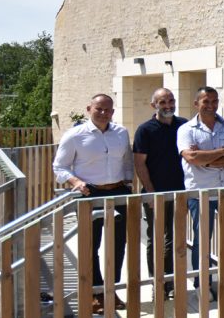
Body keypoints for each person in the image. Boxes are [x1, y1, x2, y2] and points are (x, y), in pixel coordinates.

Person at [53, 94, 132, 314]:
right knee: (91, 245)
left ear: (113, 112)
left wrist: (127, 181)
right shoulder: (75, 136)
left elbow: (127, 161)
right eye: (99, 109)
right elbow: (59, 167)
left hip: (118, 191)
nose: (104, 113)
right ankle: (94, 293)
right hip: (90, 193)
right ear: (89, 109)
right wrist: (76, 182)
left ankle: (111, 289)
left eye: (108, 110)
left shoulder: (121, 133)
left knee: (118, 244)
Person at [177, 86, 224, 298]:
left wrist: (206, 159)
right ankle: (201, 283)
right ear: (196, 104)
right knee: (202, 238)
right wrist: (223, 152)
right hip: (201, 191)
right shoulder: (187, 129)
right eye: (206, 101)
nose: (211, 105)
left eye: (214, 101)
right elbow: (192, 158)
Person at [132, 88, 187, 299]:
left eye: (171, 100)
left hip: (181, 193)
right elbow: (140, 164)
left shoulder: (183, 125)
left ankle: (172, 282)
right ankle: (158, 282)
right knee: (157, 238)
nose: (168, 105)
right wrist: (151, 192)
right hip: (155, 193)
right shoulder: (145, 130)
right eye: (163, 102)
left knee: (175, 238)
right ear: (153, 105)